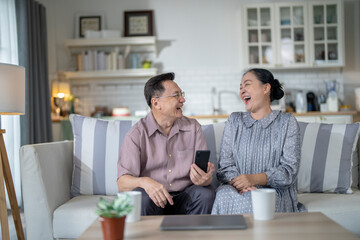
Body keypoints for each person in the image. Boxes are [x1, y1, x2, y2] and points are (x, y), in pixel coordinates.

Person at [117, 72, 215, 215]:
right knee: (141, 198)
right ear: (156, 103)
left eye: (182, 94)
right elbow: (122, 183)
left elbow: (205, 177)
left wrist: (205, 179)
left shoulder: (193, 127)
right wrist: (145, 182)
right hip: (153, 199)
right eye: (176, 95)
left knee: (206, 194)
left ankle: (194, 236)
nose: (183, 100)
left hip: (185, 195)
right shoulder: (137, 134)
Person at [211, 68, 306, 214]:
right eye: (240, 87)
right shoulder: (234, 121)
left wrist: (253, 179)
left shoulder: (287, 122)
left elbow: (288, 172)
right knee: (222, 195)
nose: (242, 90)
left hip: (274, 191)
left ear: (266, 88)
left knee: (254, 201)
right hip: (236, 188)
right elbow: (225, 166)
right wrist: (242, 183)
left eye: (247, 84)